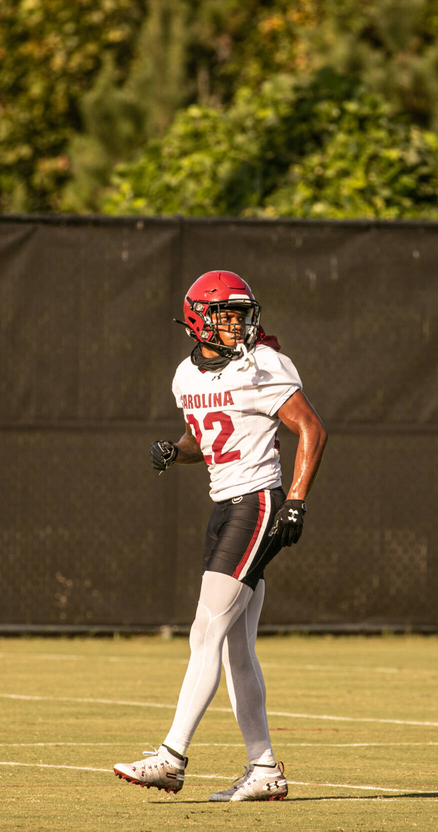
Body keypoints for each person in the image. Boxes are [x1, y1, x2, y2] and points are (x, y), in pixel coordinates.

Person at [113, 270, 327, 802]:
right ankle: (264, 769)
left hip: (257, 503)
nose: (237, 323)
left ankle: (172, 756)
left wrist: (296, 501)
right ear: (198, 320)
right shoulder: (186, 376)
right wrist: (174, 451)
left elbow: (312, 428)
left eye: (241, 313)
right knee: (235, 648)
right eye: (225, 314)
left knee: (204, 629)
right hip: (224, 504)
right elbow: (204, 441)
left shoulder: (265, 364)